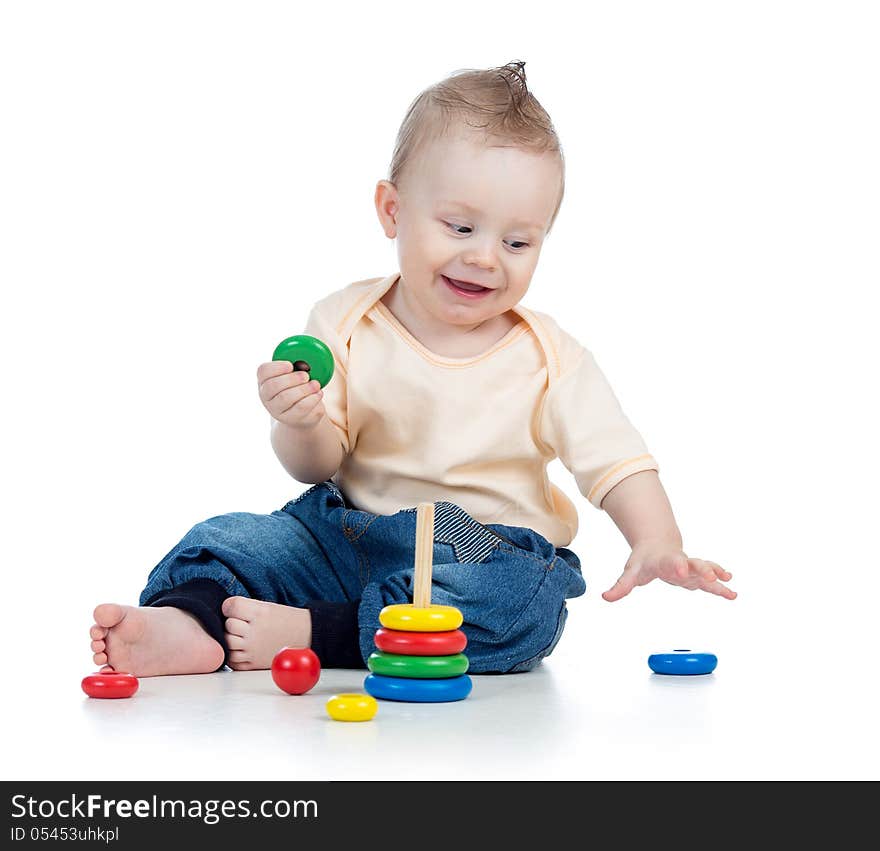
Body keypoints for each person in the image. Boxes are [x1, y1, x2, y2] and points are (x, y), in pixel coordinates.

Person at [89, 60, 735, 678]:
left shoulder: (550, 357)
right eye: (459, 227)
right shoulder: (346, 321)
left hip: (478, 551)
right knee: (230, 539)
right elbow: (315, 463)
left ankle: (324, 632)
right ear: (393, 211)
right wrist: (299, 419)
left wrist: (656, 537)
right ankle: (192, 622)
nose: (485, 258)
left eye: (517, 242)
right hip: (345, 536)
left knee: (523, 598)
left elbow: (616, 458)